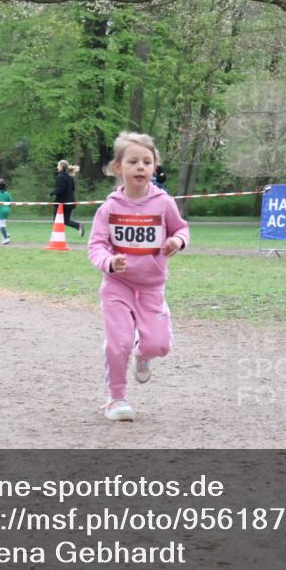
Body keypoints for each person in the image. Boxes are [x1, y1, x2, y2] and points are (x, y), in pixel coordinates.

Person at [88, 132, 190, 422]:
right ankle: (116, 399)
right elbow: (96, 245)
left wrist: (177, 242)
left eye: (147, 161)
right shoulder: (109, 208)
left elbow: (182, 229)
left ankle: (143, 353)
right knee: (117, 343)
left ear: (155, 167)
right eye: (133, 161)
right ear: (118, 167)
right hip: (117, 286)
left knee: (159, 345)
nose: (141, 167)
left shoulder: (164, 203)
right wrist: (109, 261)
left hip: (151, 287)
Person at [51, 160, 85, 237]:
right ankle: (78, 225)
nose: (57, 167)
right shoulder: (70, 177)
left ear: (61, 167)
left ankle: (57, 237)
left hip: (61, 203)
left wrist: (52, 193)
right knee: (66, 220)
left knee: (56, 220)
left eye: (58, 165)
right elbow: (73, 189)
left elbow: (60, 188)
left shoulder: (60, 176)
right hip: (70, 202)